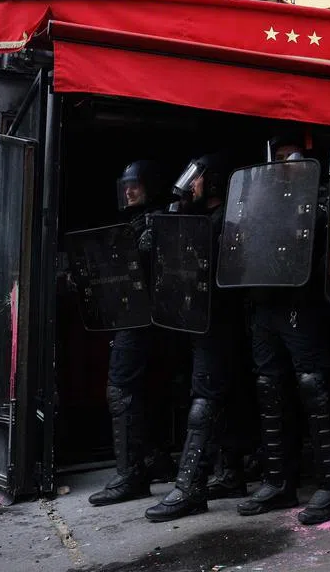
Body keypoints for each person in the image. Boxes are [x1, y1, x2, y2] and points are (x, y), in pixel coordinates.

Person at [231, 135, 330, 525]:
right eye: (279, 157)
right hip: (266, 302)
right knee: (269, 388)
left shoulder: (318, 200)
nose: (284, 164)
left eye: (291, 157)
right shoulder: (261, 200)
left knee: (314, 388)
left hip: (302, 304)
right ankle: (279, 481)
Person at [145, 153, 242, 521]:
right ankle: (230, 473)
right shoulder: (201, 219)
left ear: (214, 182)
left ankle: (191, 486)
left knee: (207, 399)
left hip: (221, 324)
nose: (191, 184)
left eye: (197, 178)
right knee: (222, 397)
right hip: (203, 324)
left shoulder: (225, 221)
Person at [87, 160, 177, 507]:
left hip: (147, 318)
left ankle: (131, 474)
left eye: (136, 184)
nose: (129, 190)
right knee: (135, 391)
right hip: (137, 317)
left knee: (121, 389)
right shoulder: (137, 222)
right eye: (125, 185)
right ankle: (151, 460)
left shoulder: (157, 221)